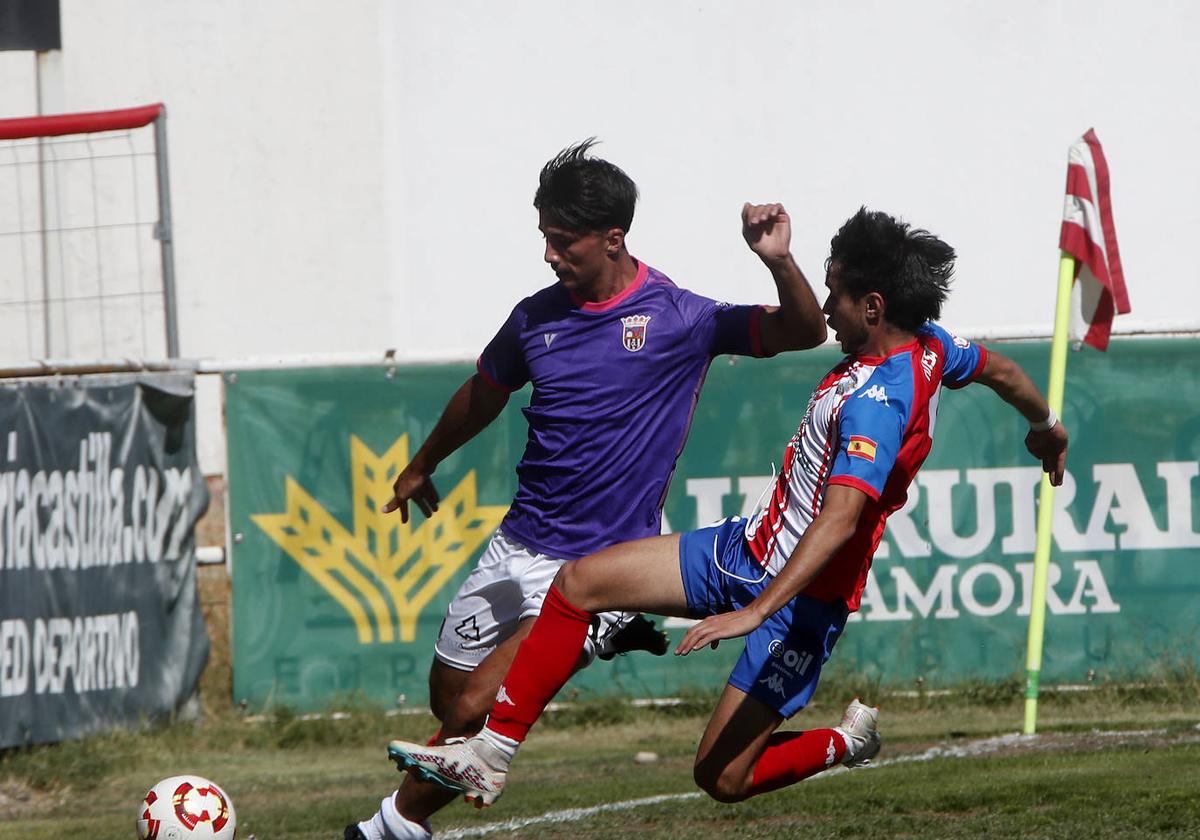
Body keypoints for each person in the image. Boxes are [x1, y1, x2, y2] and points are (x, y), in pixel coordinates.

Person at [384, 206, 1071, 809]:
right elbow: (1002, 371)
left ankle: (843, 741)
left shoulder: (878, 401)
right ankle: (490, 754)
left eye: (835, 294)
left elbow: (839, 519)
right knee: (578, 583)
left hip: (795, 596)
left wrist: (756, 611)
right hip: (742, 550)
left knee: (721, 778)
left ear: (872, 306)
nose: (826, 308)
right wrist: (1045, 427)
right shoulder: (930, 348)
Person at [347, 140, 828, 840]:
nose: (548, 254)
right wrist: (424, 464)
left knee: (477, 706)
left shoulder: (678, 317)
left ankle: (388, 828)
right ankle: (607, 638)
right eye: (543, 238)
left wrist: (778, 258)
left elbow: (804, 330)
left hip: (602, 563)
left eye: (561, 240)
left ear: (613, 237)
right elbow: (485, 393)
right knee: (449, 697)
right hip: (519, 543)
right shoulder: (534, 317)